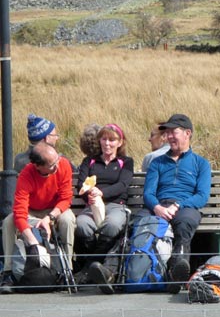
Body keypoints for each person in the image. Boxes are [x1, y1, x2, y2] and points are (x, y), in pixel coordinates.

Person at [141, 113, 211, 294]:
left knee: (184, 222)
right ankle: (121, 271)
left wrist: (178, 205)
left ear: (187, 133)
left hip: (186, 207)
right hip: (159, 206)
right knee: (141, 224)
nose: (169, 136)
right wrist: (157, 207)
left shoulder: (201, 163)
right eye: (168, 133)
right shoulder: (157, 163)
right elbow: (148, 193)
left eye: (174, 132)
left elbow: (202, 195)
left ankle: (176, 271)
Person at [0, 142, 76, 294]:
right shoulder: (26, 175)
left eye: (57, 160)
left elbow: (66, 198)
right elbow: (20, 211)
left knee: (68, 219)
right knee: (9, 221)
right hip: (32, 212)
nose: (57, 166)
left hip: (55, 210)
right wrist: (32, 241)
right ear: (38, 166)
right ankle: (8, 272)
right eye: (52, 164)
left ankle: (67, 269)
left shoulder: (63, 165)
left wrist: (49, 218)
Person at [74, 124, 134, 288]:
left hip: (116, 204)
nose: (107, 143)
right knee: (82, 225)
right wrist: (91, 195)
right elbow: (81, 184)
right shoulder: (90, 161)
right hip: (92, 205)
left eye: (112, 140)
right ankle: (99, 268)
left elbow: (123, 184)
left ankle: (90, 267)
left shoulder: (126, 162)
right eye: (104, 139)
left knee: (112, 224)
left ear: (120, 142)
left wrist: (102, 192)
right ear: (99, 141)